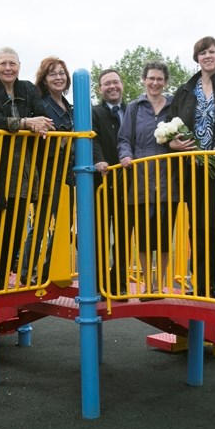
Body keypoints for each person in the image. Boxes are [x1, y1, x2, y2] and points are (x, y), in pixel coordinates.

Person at [0, 47, 54, 291]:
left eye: (12, 63)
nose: (8, 68)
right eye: (3, 63)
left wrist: (36, 124)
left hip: (24, 167)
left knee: (18, 223)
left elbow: (42, 116)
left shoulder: (28, 88)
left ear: (19, 66)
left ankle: (6, 270)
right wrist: (25, 123)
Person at [168, 36, 215, 299]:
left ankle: (214, 284)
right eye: (203, 52)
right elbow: (172, 124)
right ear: (197, 58)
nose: (207, 56)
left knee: (213, 225)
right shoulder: (185, 90)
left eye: (212, 52)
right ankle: (198, 280)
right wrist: (174, 143)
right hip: (192, 167)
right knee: (196, 225)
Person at [118, 60, 179, 299]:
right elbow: (124, 138)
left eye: (160, 79)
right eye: (151, 78)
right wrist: (126, 155)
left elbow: (183, 133)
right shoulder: (135, 107)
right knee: (144, 235)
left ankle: (159, 283)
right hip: (141, 179)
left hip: (168, 178)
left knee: (164, 235)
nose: (155, 83)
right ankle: (146, 283)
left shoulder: (173, 106)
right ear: (143, 80)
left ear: (165, 82)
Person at [19, 56, 74, 285]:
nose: (58, 77)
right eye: (53, 74)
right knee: (42, 221)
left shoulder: (69, 106)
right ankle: (26, 270)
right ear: (44, 79)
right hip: (48, 168)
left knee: (66, 221)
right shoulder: (41, 104)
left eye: (62, 73)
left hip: (68, 169)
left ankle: (47, 268)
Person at [93, 69, 128, 298]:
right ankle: (100, 283)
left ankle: (120, 280)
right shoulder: (94, 112)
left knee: (125, 233)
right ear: (100, 89)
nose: (112, 86)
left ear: (122, 84)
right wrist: (98, 160)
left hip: (128, 180)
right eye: (107, 83)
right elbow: (91, 137)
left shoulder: (131, 110)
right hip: (103, 180)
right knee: (100, 233)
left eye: (115, 82)